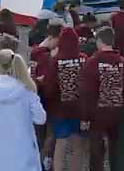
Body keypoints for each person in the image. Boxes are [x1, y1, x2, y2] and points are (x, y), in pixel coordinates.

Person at [80, 27, 124, 171]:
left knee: (96, 153)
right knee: (117, 150)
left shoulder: (92, 63)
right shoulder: (122, 62)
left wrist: (84, 117)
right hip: (118, 112)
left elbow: (86, 93)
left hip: (97, 115)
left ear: (99, 41)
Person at [43, 27, 87, 171]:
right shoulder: (84, 58)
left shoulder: (56, 60)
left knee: (60, 146)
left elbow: (50, 87)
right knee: (77, 147)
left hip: (60, 109)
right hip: (79, 109)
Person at [30, 21, 63, 170]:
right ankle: (44, 163)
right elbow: (50, 80)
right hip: (48, 100)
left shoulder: (37, 52)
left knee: (39, 135)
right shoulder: (48, 57)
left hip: (36, 97)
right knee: (50, 135)